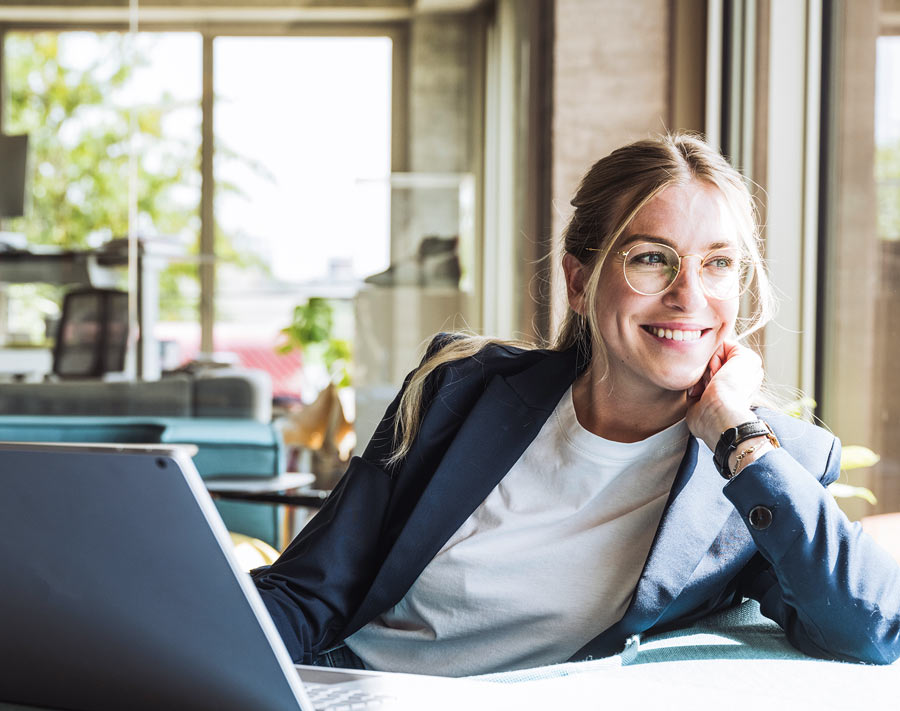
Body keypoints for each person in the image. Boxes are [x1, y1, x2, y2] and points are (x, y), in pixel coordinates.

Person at [252, 133, 900, 675]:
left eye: (719, 264)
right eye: (653, 259)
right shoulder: (460, 387)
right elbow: (311, 592)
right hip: (348, 704)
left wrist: (738, 437)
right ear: (580, 281)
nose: (688, 295)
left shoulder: (761, 474)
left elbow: (873, 626)